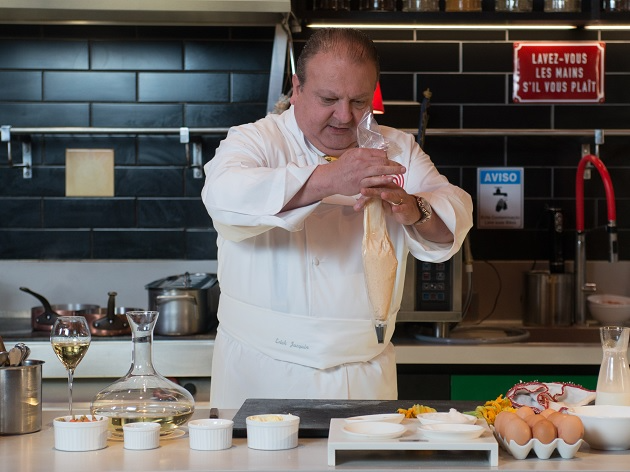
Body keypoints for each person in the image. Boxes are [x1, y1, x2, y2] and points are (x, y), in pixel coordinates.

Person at [201, 28, 473, 409]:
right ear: (297, 88)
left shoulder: (396, 148)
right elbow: (223, 196)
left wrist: (415, 209)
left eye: (360, 102)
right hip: (260, 373)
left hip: (363, 374)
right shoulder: (256, 141)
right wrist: (330, 179)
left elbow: (453, 214)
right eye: (328, 99)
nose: (344, 116)